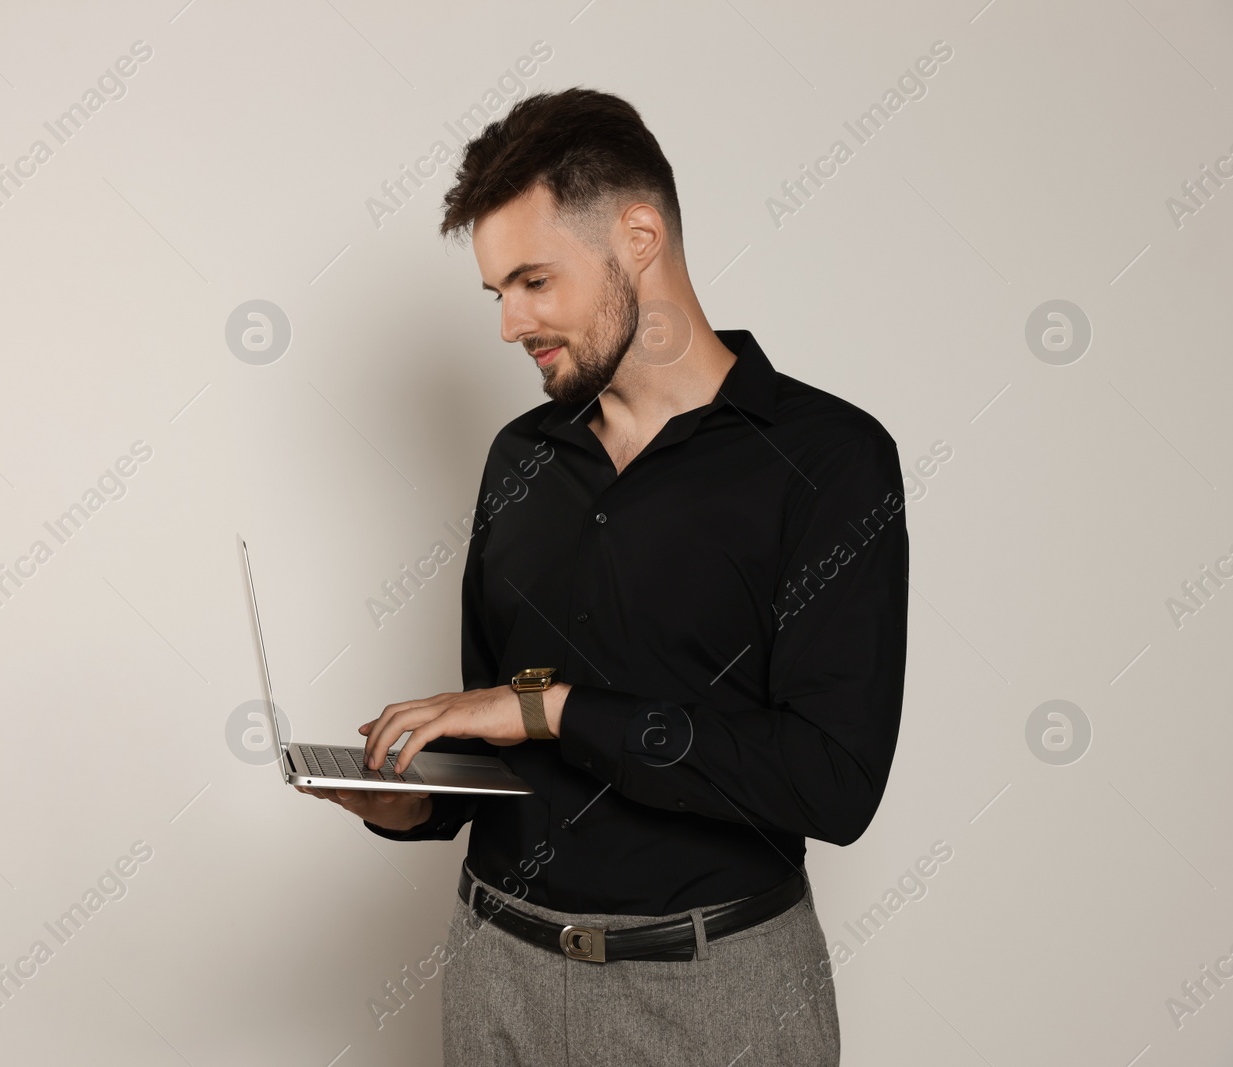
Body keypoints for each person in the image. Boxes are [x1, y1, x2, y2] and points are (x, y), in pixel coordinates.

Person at [297, 86, 908, 1066]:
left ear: (637, 235)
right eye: (497, 291)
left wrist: (550, 709)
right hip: (495, 970)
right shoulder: (518, 458)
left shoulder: (830, 461)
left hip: (716, 996)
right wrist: (410, 803)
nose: (509, 323)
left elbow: (830, 783)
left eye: (534, 281)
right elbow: (493, 745)